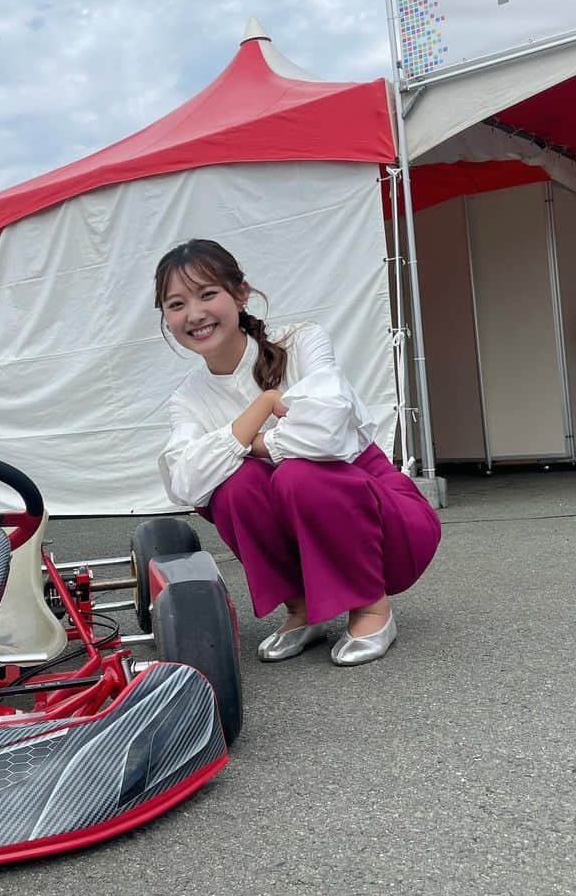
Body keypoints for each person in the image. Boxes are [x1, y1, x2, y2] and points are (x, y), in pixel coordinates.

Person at [155, 239, 441, 666]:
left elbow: (328, 430)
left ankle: (372, 605)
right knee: (234, 489)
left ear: (241, 294)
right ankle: (302, 606)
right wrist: (263, 406)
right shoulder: (188, 399)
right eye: (176, 304)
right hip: (305, 523)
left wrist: (251, 442)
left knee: (297, 475)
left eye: (207, 294)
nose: (194, 314)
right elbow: (185, 482)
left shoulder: (302, 340)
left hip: (390, 523)